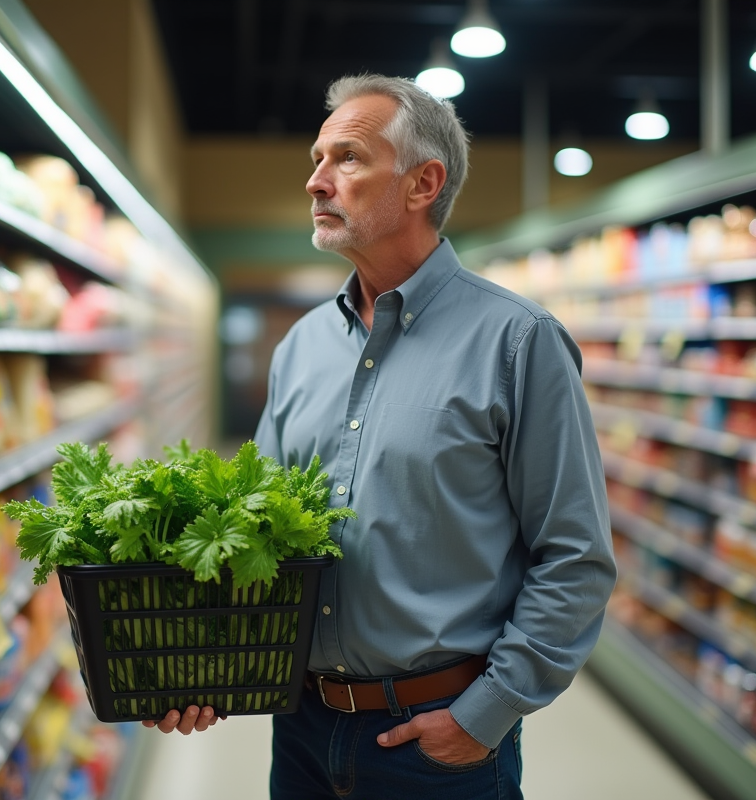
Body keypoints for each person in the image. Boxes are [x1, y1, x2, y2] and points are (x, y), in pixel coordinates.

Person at [143, 73, 617, 800]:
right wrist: (206, 662)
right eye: (316, 158)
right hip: (300, 728)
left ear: (423, 184)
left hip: (436, 745)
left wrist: (484, 716)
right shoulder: (302, 346)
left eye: (347, 159)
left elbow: (575, 557)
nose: (316, 181)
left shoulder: (518, 342)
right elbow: (261, 534)